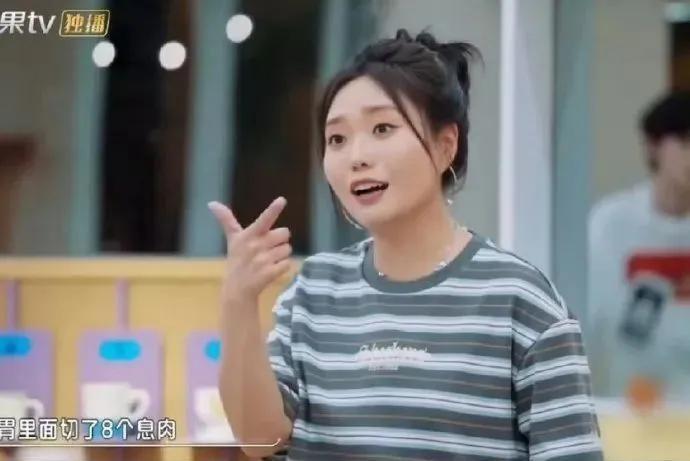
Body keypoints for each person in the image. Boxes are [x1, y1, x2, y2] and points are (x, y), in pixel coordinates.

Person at [211, 29, 603, 460]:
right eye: (337, 138)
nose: (356, 156)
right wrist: (238, 302)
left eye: (382, 128)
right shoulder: (312, 292)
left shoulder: (521, 301)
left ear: (445, 146)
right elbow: (260, 436)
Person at [587, 92, 690, 404]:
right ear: (653, 146)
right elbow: (593, 315)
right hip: (632, 402)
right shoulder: (612, 222)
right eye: (685, 142)